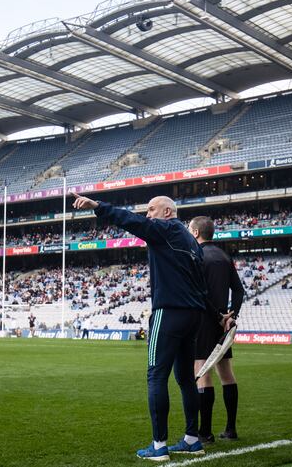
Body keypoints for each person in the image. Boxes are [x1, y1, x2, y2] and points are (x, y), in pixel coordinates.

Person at [72, 193, 207, 460]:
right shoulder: (192, 241)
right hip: (194, 314)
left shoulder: (165, 229)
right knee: (185, 378)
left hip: (169, 311)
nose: (148, 214)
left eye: (152, 209)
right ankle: (192, 440)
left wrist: (98, 207)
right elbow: (202, 285)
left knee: (156, 376)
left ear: (167, 212)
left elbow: (131, 221)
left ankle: (159, 446)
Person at [188, 216, 244, 444]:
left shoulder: (196, 256)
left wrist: (218, 316)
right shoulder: (224, 256)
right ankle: (231, 429)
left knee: (202, 371)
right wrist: (231, 316)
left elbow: (200, 294)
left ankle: (205, 432)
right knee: (226, 372)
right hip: (223, 323)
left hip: (204, 319)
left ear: (195, 233)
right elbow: (239, 290)